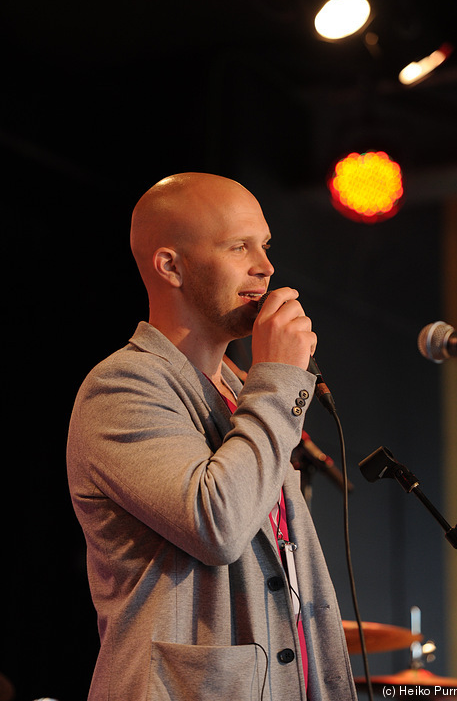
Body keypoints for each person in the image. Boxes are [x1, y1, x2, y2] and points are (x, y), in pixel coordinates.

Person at [67, 173, 357, 701]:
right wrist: (282, 381)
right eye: (237, 246)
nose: (265, 266)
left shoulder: (245, 390)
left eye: (264, 246)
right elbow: (217, 523)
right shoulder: (121, 387)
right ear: (170, 265)